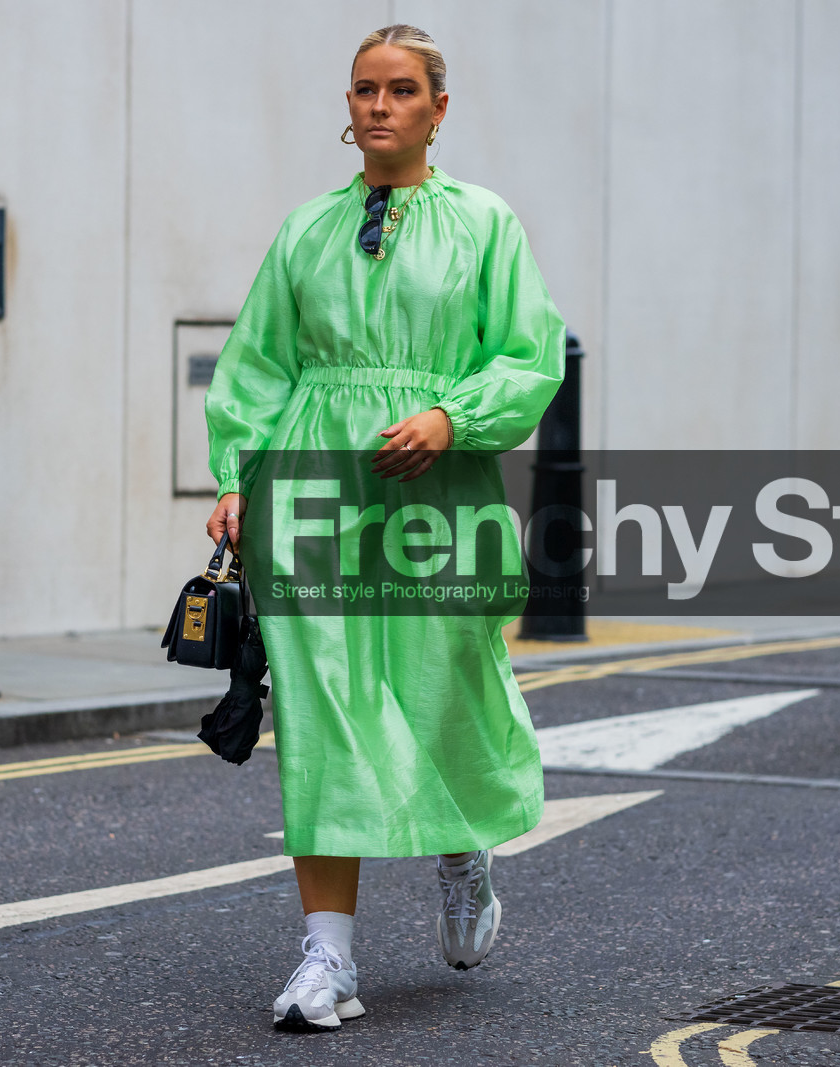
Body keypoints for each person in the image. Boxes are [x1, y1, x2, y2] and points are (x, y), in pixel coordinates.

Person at [202, 24, 566, 1032]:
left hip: (436, 489)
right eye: (364, 89)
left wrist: (452, 416)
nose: (378, 105)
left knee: (443, 683)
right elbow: (259, 367)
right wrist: (239, 476)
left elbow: (529, 354)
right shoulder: (304, 232)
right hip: (315, 484)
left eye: (401, 89)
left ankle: (461, 853)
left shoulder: (485, 223)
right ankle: (328, 958)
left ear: (437, 109)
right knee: (318, 715)